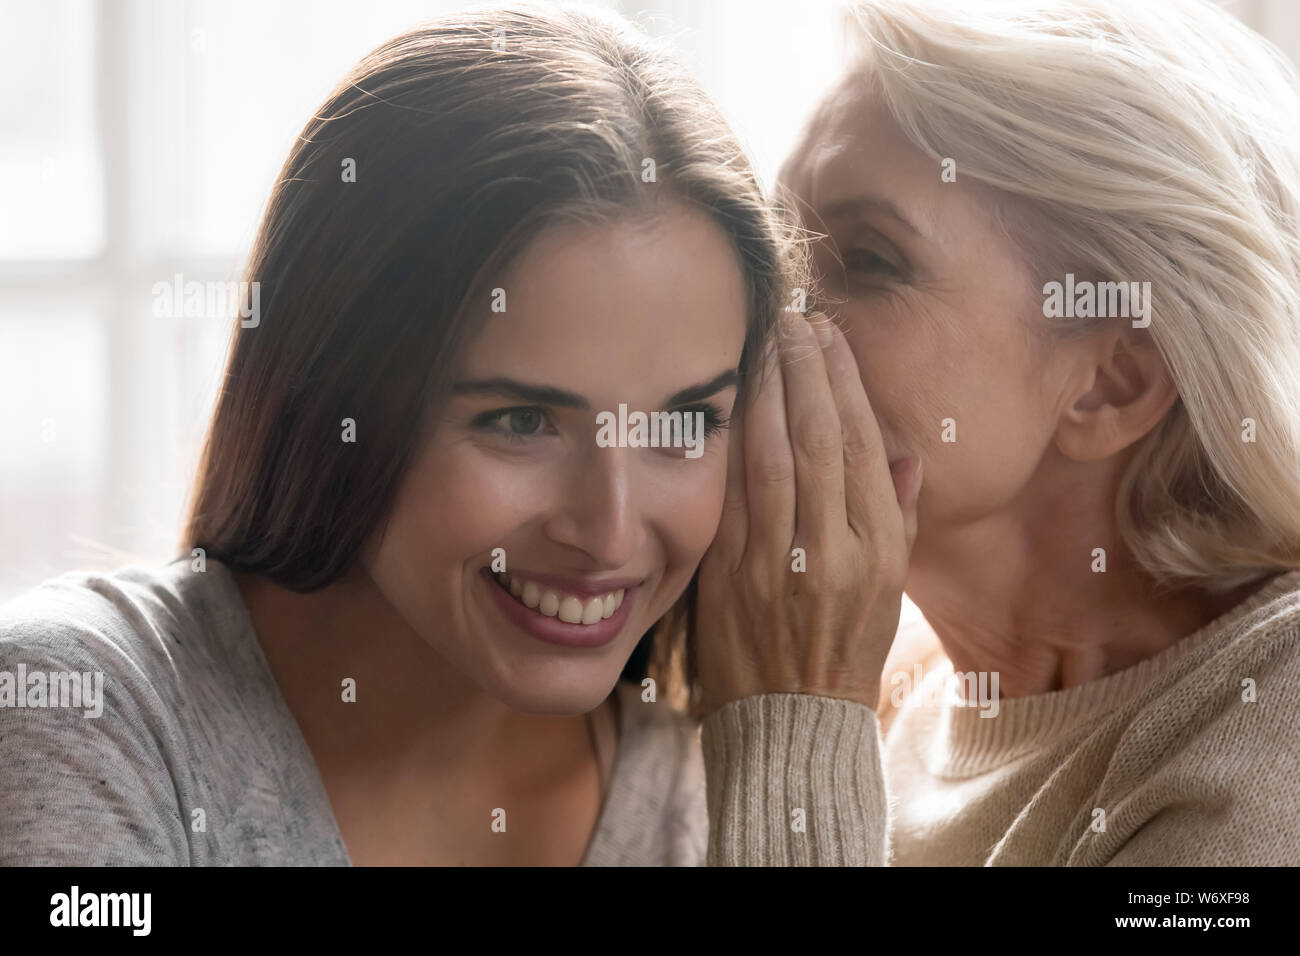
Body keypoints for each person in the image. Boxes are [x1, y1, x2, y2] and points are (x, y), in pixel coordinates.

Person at [0, 4, 794, 865]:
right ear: (337, 400)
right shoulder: (87, 712)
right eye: (521, 421)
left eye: (683, 422)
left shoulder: (704, 809)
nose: (608, 531)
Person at [696, 0, 1300, 865]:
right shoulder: (881, 676)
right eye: (777, 249)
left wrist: (793, 716)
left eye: (867, 259)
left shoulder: (1274, 717)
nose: (770, 318)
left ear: (1110, 384)